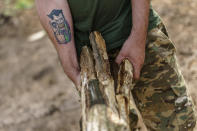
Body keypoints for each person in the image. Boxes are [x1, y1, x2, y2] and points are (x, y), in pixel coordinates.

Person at [35, 0, 196, 130]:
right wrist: (68, 58)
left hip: (140, 30)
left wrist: (138, 36)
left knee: (178, 124)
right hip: (90, 56)